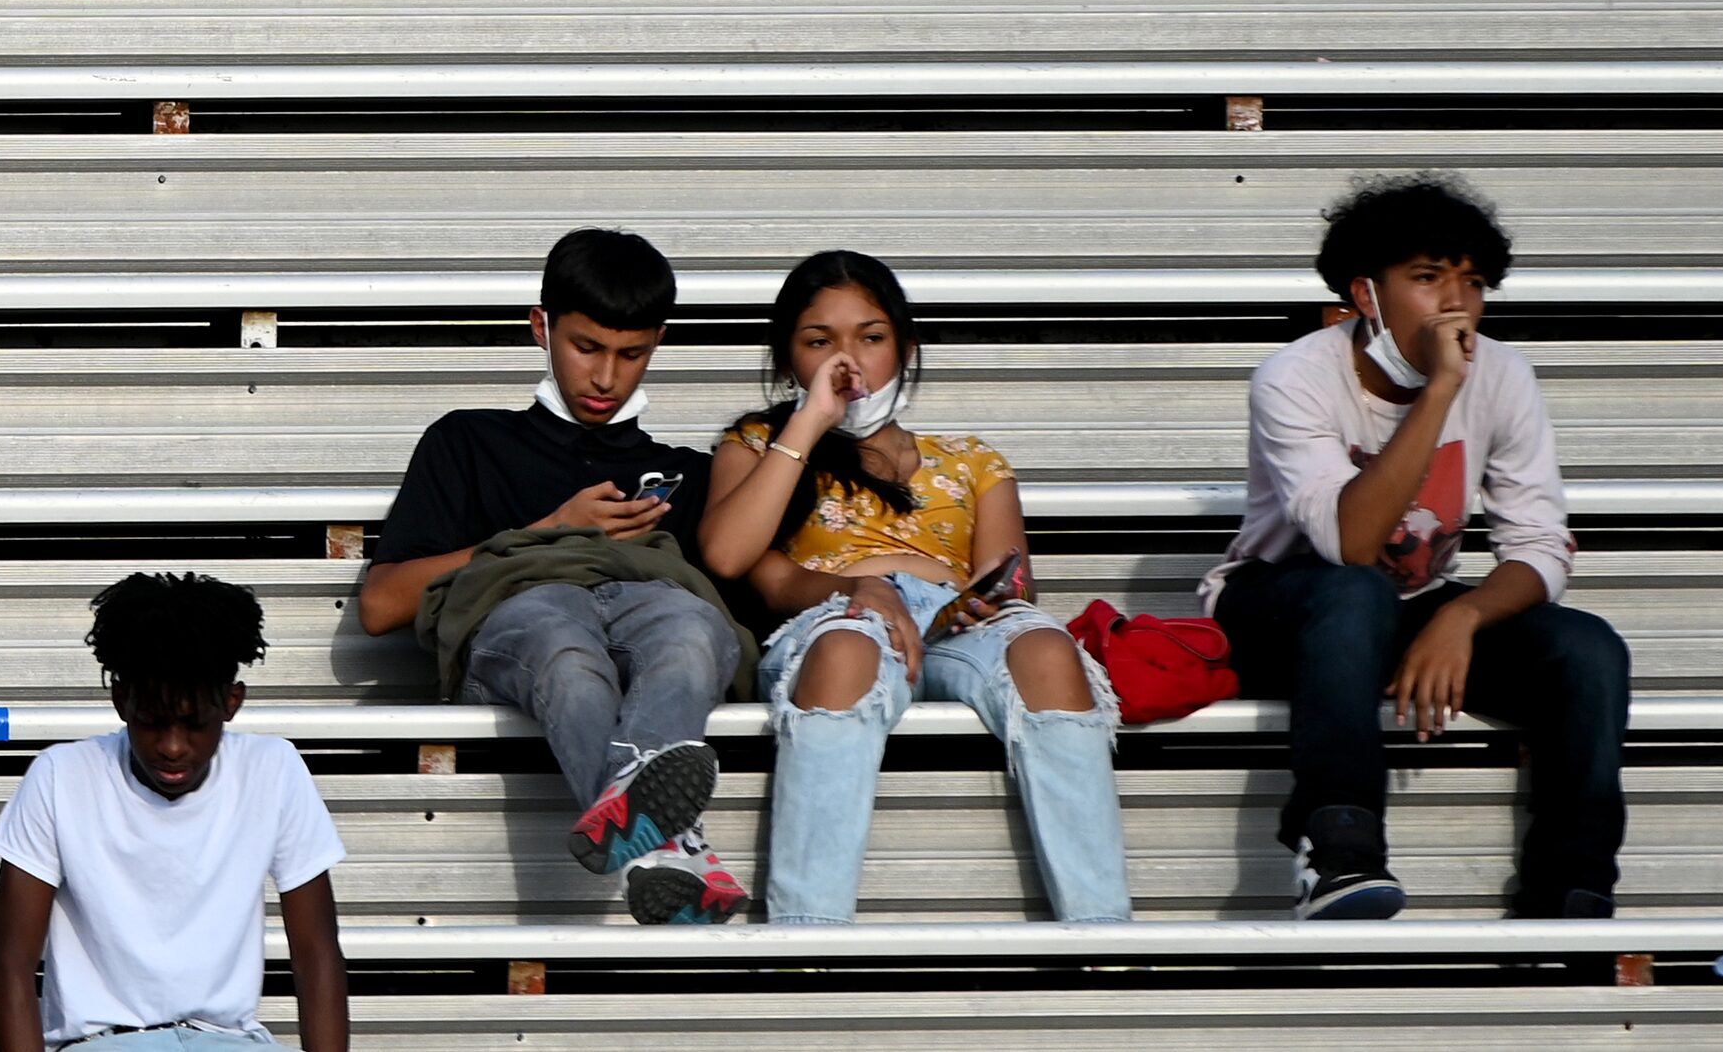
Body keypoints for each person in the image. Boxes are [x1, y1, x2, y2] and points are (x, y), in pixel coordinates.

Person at [1205, 174, 1627, 922]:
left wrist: (1458, 621)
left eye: (1471, 281)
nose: (1454, 303)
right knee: (1353, 590)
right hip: (1281, 605)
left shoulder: (1504, 374)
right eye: (1427, 279)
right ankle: (1338, 853)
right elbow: (1348, 542)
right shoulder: (1294, 377)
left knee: (1586, 646)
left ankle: (1570, 888)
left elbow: (1538, 543)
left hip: (1406, 605)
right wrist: (1437, 392)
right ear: (1365, 295)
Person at [696, 249, 1129, 927]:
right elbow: (733, 558)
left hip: (958, 627)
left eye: (870, 338)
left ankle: (1104, 934)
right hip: (837, 611)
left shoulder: (972, 459)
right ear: (787, 362)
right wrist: (808, 424)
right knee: (844, 651)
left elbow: (1011, 580)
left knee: (1047, 649)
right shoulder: (758, 445)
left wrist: (988, 596)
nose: (848, 363)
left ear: (905, 347)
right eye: (818, 343)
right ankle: (806, 939)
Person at [356, 227, 754, 927]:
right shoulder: (470, 440)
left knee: (692, 632)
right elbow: (381, 604)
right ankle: (669, 847)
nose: (605, 377)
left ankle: (656, 851)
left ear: (657, 343)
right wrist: (547, 531)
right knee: (566, 651)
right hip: (524, 617)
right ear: (541, 328)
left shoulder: (686, 472)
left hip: (651, 609)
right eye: (585, 347)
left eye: (631, 354)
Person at [0, 572, 351, 1052]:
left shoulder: (273, 769)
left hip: (230, 1042)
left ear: (232, 704)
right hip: (102, 1043)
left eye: (195, 724)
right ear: (121, 701)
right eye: (152, 723)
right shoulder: (61, 776)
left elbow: (317, 953)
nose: (173, 747)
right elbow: (8, 962)